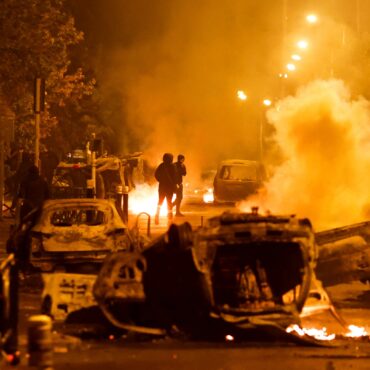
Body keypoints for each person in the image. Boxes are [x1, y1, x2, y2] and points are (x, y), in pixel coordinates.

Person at [154, 153, 177, 224]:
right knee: (169, 201)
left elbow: (156, 174)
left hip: (162, 187)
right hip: (169, 188)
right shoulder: (173, 166)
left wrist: (160, 180)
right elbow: (175, 177)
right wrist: (174, 186)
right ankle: (170, 216)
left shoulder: (161, 165)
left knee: (160, 201)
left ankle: (157, 215)